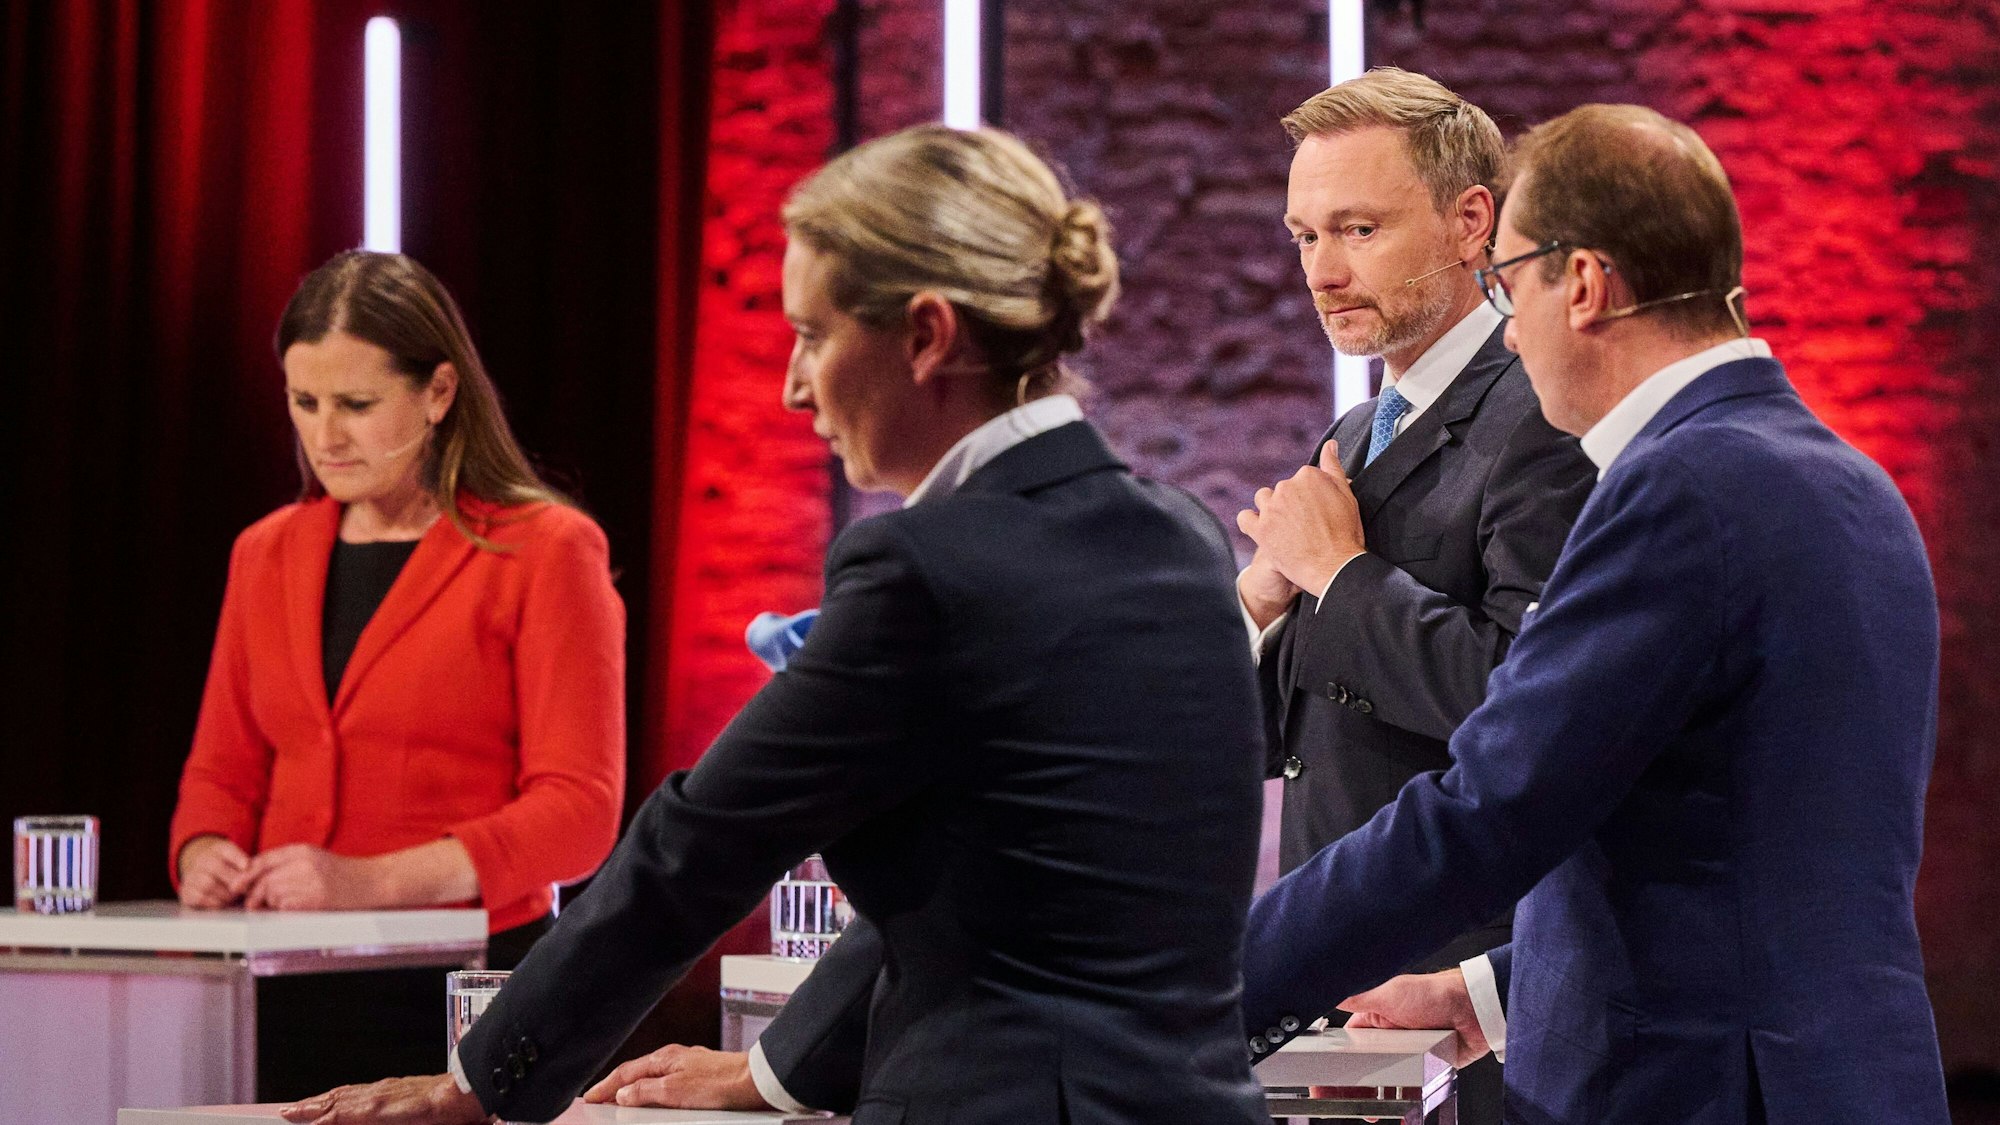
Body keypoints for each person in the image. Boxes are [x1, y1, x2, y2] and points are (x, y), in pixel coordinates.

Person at [279, 124, 1269, 1125]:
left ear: (925, 335)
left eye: (811, 334)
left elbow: (695, 849)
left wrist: (481, 1082)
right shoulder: (1181, 538)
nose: (794, 387)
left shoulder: (923, 570)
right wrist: (773, 1074)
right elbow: (997, 888)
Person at [1236, 104, 1949, 1123]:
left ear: (1579, 284)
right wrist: (1480, 996)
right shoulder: (1850, 484)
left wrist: (1200, 997)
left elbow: (1488, 808)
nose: (1507, 328)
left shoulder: (1680, 490)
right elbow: (1743, 860)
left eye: (1507, 282)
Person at [168, 250, 626, 1092]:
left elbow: (581, 811)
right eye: (304, 402)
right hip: (280, 982)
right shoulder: (264, 553)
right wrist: (204, 849)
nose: (324, 435)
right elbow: (220, 771)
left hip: (465, 990)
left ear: (439, 392)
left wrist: (369, 880)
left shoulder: (546, 549)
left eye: (356, 405)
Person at [1232, 70, 1594, 1124]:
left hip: (1475, 1003)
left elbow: (1535, 708)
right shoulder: (1351, 435)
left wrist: (1339, 578)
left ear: (1468, 221)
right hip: (1344, 986)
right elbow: (1283, 734)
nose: (1322, 271)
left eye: (1356, 228)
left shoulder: (1541, 414)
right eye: (1302, 236)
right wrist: (1252, 611)